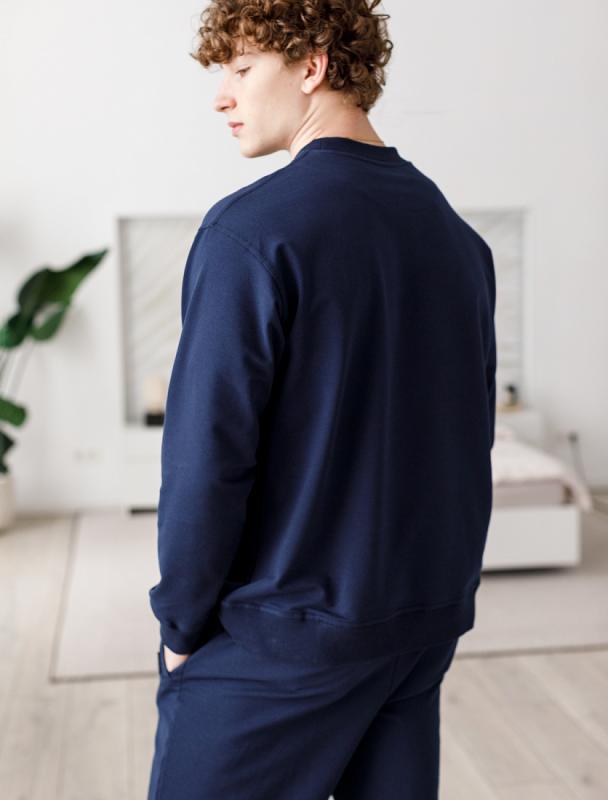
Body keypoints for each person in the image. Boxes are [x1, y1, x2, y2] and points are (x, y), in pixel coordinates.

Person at [147, 1, 496, 798]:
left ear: (313, 66)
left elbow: (205, 458)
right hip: (417, 628)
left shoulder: (250, 233)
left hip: (281, 641)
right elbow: (467, 437)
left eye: (243, 69)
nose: (222, 96)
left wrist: (180, 626)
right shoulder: (455, 238)